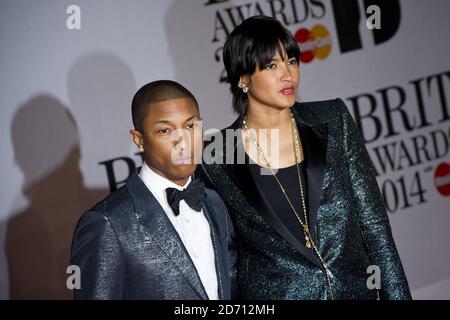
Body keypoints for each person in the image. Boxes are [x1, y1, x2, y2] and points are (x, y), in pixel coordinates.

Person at [198, 15, 411, 300]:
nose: (288, 75)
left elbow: (374, 227)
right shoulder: (218, 156)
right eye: (272, 65)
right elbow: (225, 258)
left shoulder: (333, 120)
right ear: (243, 78)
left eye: (292, 61)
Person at [70, 80, 238, 299]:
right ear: (139, 140)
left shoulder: (214, 202)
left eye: (190, 126)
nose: (184, 142)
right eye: (165, 131)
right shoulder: (107, 223)